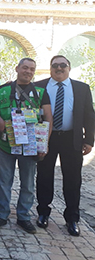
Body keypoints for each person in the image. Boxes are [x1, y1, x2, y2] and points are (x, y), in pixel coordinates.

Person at [0, 58, 52, 234]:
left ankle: (23, 217)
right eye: (25, 68)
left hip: (31, 146)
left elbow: (48, 118)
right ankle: (1, 215)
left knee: (28, 184)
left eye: (32, 69)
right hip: (7, 144)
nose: (28, 71)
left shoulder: (41, 92)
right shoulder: (2, 90)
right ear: (17, 68)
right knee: (4, 182)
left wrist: (44, 143)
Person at [35, 55, 95, 236]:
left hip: (72, 139)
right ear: (50, 68)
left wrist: (89, 140)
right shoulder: (39, 86)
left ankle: (72, 219)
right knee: (44, 176)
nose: (59, 68)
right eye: (55, 65)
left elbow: (89, 116)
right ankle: (43, 213)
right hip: (47, 138)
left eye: (63, 65)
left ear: (69, 68)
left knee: (73, 180)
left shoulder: (82, 88)